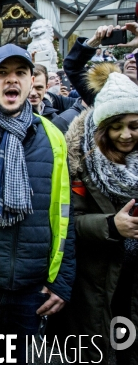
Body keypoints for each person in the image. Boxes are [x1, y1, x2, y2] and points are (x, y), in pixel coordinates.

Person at [0, 44, 75, 365]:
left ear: (33, 81)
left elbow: (63, 214)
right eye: (2, 73)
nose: (11, 80)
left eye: (20, 73)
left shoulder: (52, 136)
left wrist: (61, 280)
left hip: (33, 290)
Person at [58, 62, 138, 364]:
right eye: (116, 127)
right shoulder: (81, 164)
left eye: (133, 125)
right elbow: (67, 223)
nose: (125, 135)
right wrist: (110, 225)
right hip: (96, 283)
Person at [64, 23, 138, 106]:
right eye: (130, 56)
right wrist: (94, 40)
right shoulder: (102, 94)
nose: (132, 60)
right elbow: (72, 66)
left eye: (137, 57)